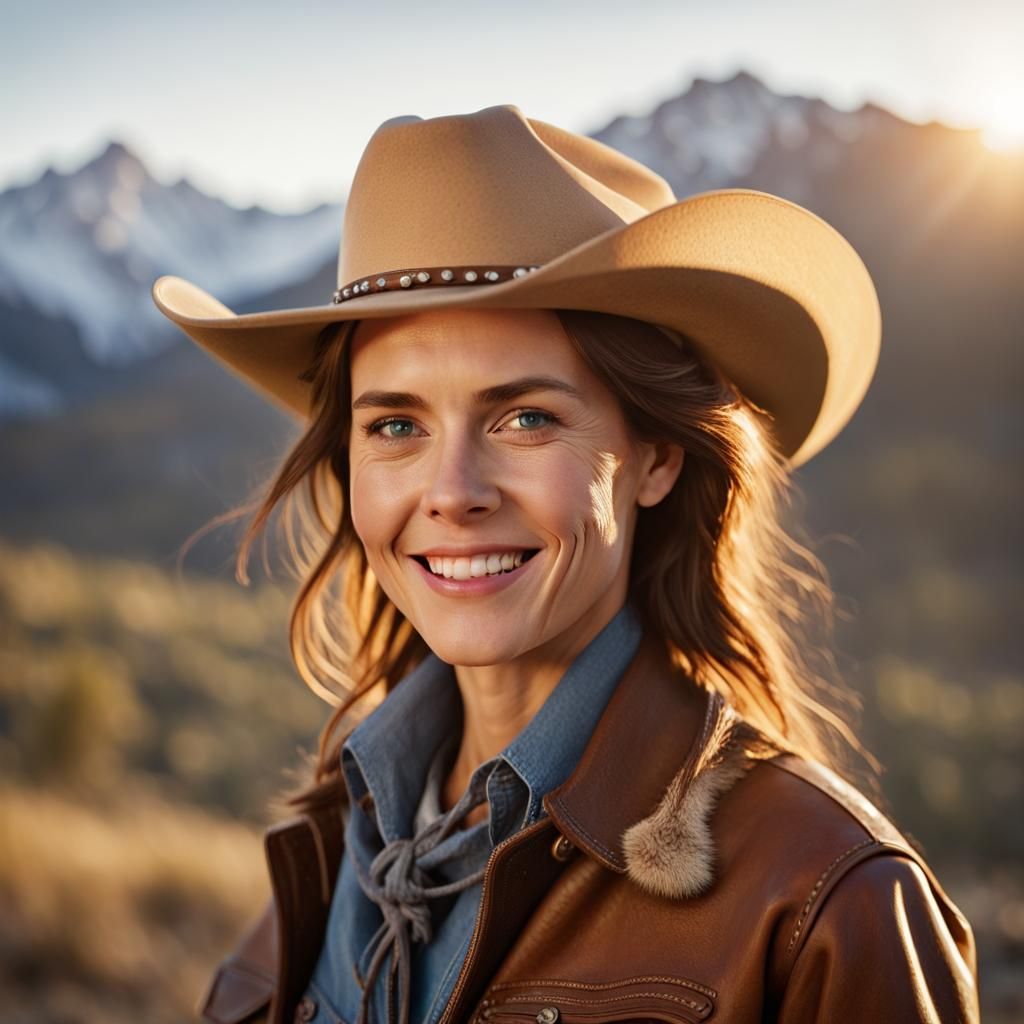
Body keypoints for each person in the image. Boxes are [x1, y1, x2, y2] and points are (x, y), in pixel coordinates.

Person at [152, 104, 980, 1024]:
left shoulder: (827, 902)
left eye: (526, 418)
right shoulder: (332, 853)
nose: (451, 492)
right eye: (395, 425)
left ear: (657, 459)